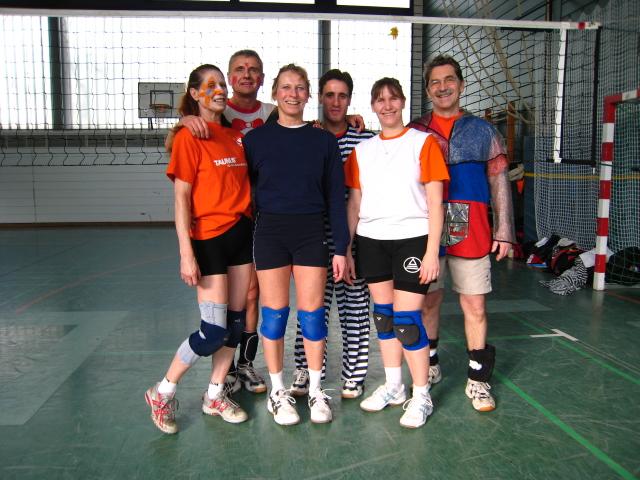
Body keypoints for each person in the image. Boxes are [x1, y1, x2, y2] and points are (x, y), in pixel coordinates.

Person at [144, 64, 253, 434]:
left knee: (235, 326)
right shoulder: (188, 137)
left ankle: (215, 395)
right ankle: (162, 391)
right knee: (212, 331)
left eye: (222, 84)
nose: (219, 90)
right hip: (208, 239)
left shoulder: (235, 136)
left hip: (241, 234)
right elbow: (181, 199)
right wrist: (186, 253)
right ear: (194, 93)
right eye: (210, 85)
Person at [408, 54, 515, 412]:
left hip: (473, 226)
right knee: (428, 301)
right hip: (427, 226)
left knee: (475, 304)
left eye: (449, 80)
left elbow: (499, 180)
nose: (443, 87)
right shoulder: (415, 131)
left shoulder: (484, 131)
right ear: (427, 90)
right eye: (435, 82)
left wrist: (504, 230)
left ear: (461, 84)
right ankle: (431, 363)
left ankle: (478, 378)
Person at [243, 64, 349, 426]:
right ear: (275, 92)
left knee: (313, 316)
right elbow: (246, 194)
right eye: (286, 87)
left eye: (300, 87)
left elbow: (336, 198)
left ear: (308, 95)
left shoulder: (323, 141)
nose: (293, 94)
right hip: (270, 232)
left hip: (310, 232)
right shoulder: (255, 140)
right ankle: (277, 391)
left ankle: (316, 390)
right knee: (274, 316)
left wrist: (340, 248)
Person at [344, 77, 449, 429]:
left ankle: (421, 395)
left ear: (403, 101)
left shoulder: (423, 143)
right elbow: (354, 203)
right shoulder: (362, 151)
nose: (387, 105)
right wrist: (347, 248)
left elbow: (436, 202)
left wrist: (432, 252)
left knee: (407, 321)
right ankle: (394, 386)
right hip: (371, 240)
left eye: (393, 98)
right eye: (380, 100)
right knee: (384, 318)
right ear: (373, 106)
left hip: (412, 239)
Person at [290, 69, 374, 400]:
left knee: (355, 309)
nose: (336, 102)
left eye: (342, 96)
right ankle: (306, 370)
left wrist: (350, 244)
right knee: (311, 309)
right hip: (312, 237)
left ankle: (354, 376)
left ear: (350, 100)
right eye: (329, 95)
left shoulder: (365, 141)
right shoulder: (308, 135)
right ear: (320, 98)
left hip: (353, 239)